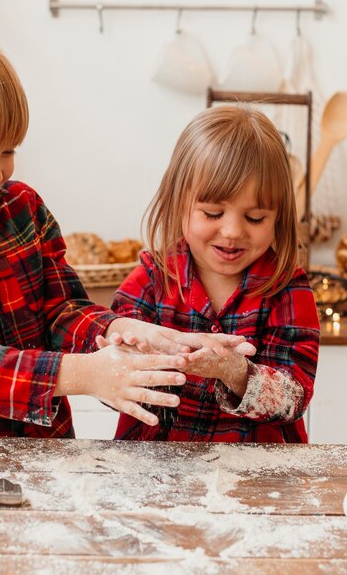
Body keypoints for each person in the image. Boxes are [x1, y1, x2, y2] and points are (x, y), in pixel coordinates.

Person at [0, 15, 252, 438]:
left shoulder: (22, 208)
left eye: (7, 151)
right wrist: (86, 374)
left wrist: (123, 331)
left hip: (42, 451)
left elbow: (60, 311)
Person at [110, 105, 320, 443]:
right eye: (212, 213)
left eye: (255, 218)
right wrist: (134, 356)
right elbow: (111, 374)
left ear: (278, 218)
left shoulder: (287, 288)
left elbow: (295, 397)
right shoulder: (152, 279)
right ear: (179, 205)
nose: (233, 231)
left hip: (258, 475)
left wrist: (234, 371)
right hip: (155, 470)